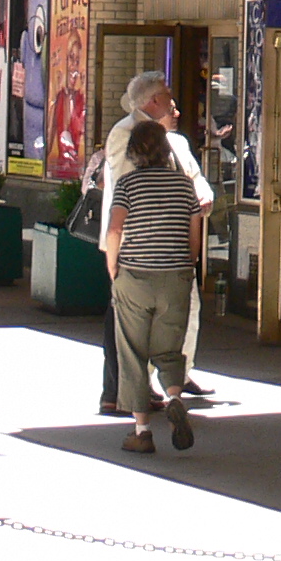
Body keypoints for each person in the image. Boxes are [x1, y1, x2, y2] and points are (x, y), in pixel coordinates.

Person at [96, 73, 216, 415]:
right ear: (153, 102)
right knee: (126, 325)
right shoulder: (126, 132)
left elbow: (192, 178)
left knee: (169, 321)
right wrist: (114, 259)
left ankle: (167, 382)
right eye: (168, 96)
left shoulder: (173, 139)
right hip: (137, 245)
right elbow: (123, 185)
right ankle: (120, 393)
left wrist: (199, 193)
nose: (174, 103)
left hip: (163, 248)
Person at [103, 114, 205, 454]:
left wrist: (112, 266)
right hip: (175, 275)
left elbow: (115, 229)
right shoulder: (183, 185)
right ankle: (175, 397)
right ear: (164, 150)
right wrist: (188, 267)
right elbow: (195, 232)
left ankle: (142, 432)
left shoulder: (129, 185)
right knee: (169, 348)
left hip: (136, 275)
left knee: (132, 352)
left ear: (134, 152)